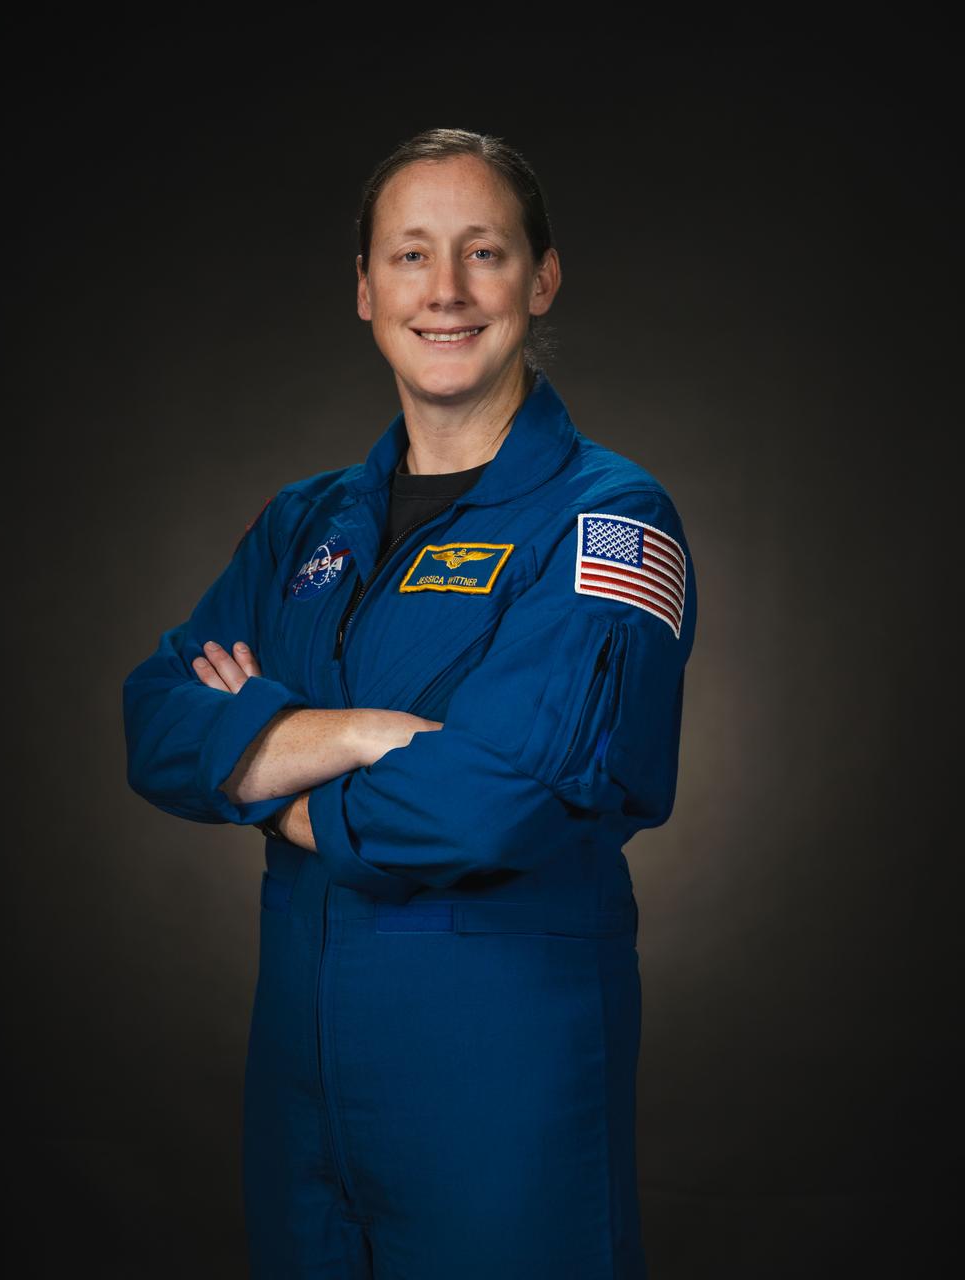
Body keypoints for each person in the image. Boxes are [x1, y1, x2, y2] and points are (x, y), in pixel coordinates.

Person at [122, 127, 697, 1280]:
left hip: (498, 1076)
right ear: (365, 289)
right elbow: (156, 716)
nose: (444, 291)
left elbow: (494, 798)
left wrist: (271, 780)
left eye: (482, 252)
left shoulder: (606, 521)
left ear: (540, 279)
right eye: (409, 254)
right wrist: (355, 734)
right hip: (300, 1082)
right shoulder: (306, 522)